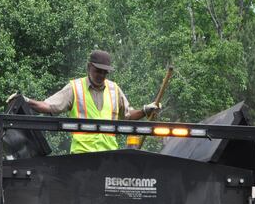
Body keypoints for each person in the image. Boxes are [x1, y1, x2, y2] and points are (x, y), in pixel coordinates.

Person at [8, 49, 161, 154]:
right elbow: (48, 106)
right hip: (82, 156)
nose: (101, 75)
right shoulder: (75, 88)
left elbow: (127, 116)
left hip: (110, 156)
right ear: (89, 67)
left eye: (104, 72)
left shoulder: (114, 89)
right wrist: (26, 100)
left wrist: (145, 110)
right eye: (98, 70)